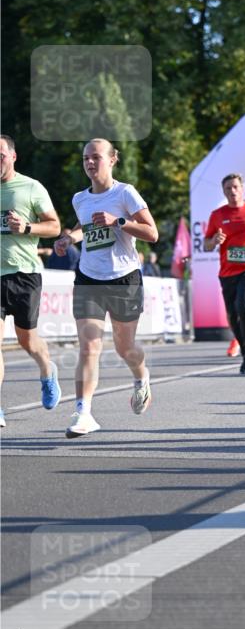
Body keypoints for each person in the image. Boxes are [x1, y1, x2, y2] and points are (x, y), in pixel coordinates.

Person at [54, 138, 158, 436]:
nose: (89, 162)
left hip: (124, 278)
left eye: (96, 157)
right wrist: (67, 239)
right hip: (88, 277)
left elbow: (152, 233)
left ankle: (141, 376)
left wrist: (119, 221)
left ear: (112, 160)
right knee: (89, 347)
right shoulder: (80, 198)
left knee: (125, 348)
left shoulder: (125, 193)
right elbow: (84, 228)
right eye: (86, 157)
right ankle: (83, 413)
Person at [0, 134, 62, 427]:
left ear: (13, 156)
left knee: (28, 340)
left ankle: (47, 372)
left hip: (25, 274)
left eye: (0, 154)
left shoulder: (31, 187)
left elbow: (54, 226)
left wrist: (26, 227)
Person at [204, 173, 245, 374]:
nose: (233, 191)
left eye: (236, 187)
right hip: (227, 271)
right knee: (232, 316)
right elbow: (206, 244)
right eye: (228, 188)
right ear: (224, 191)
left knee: (243, 304)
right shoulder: (217, 215)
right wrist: (214, 241)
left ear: (242, 189)